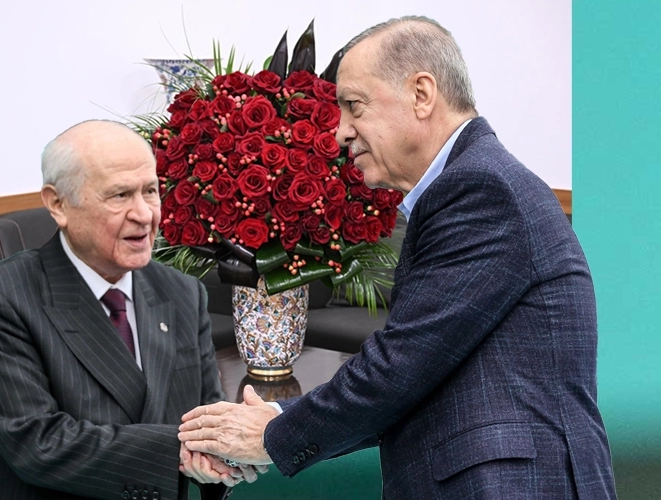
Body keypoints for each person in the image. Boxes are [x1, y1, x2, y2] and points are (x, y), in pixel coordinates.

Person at [178, 16, 618, 499]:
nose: (340, 133)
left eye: (354, 106)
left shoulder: (481, 189)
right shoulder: (471, 184)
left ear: (421, 94)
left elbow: (401, 367)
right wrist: (273, 424)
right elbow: (418, 378)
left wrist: (269, 436)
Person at [0, 120, 257, 500]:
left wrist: (228, 451)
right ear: (58, 204)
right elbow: (35, 442)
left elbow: (205, 416)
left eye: (150, 191)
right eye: (120, 195)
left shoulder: (182, 292)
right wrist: (177, 452)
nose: (144, 214)